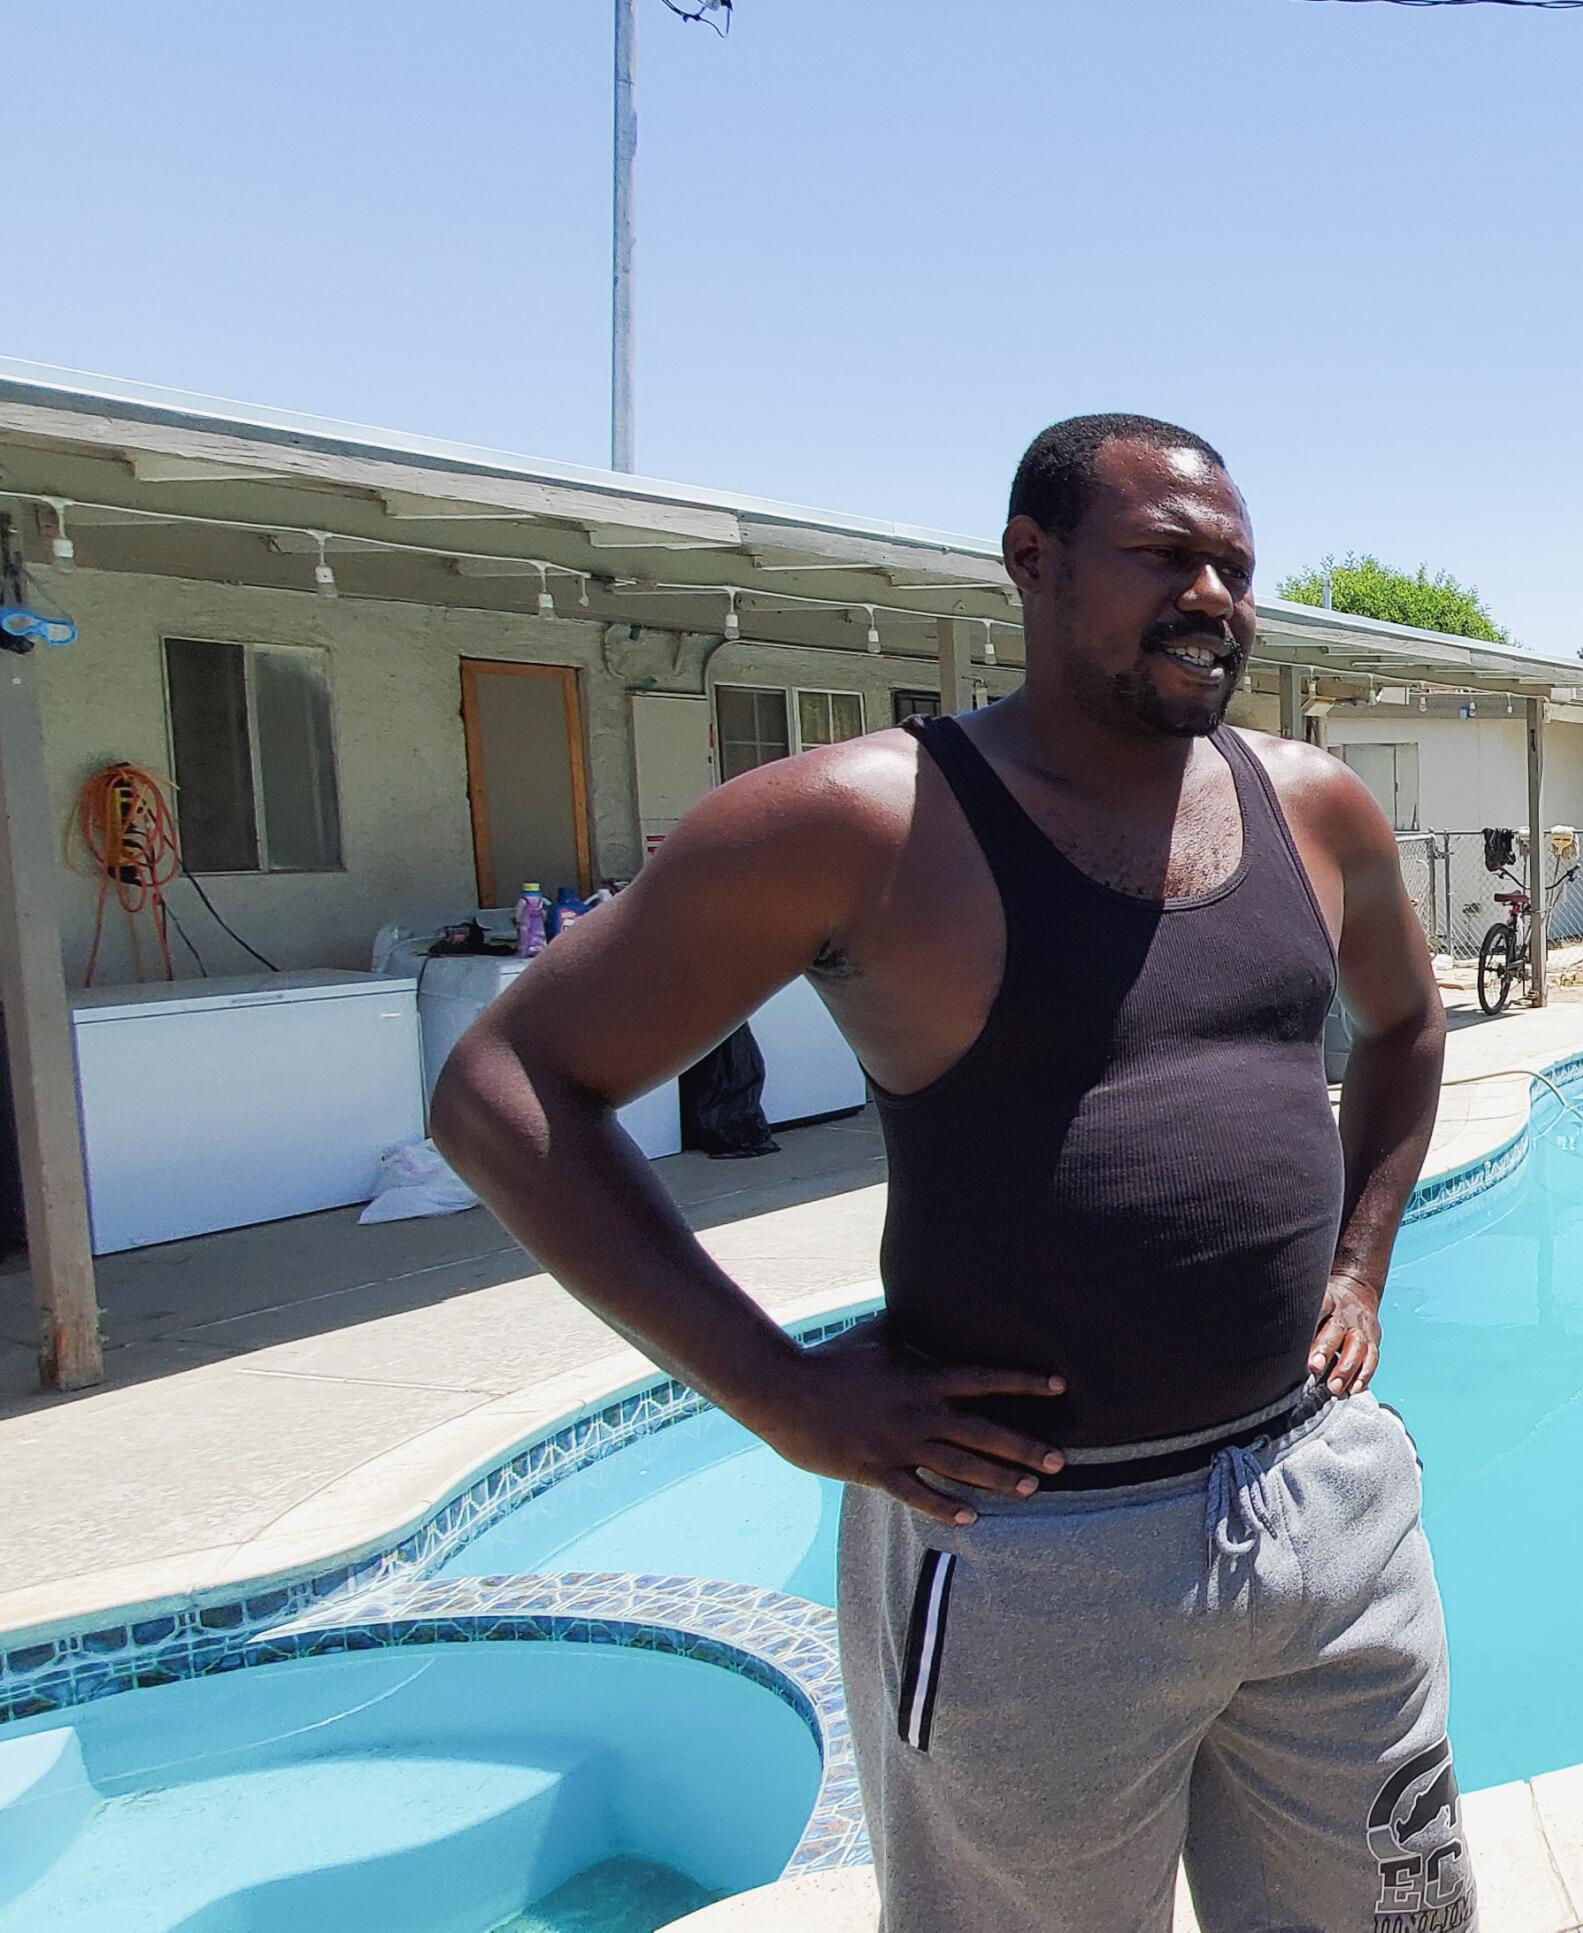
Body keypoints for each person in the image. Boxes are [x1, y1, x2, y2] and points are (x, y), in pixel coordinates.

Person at [432, 413, 1473, 1933]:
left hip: (1324, 1510)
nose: (1216, 598)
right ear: (1031, 562)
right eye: (1169, 556)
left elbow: (1409, 1020)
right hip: (1041, 1558)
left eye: (1237, 569)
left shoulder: (1311, 806)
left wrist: (1361, 1258)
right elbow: (501, 1086)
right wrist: (781, 1395)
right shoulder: (864, 823)